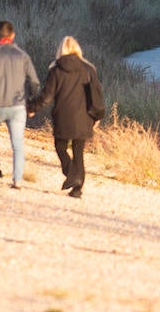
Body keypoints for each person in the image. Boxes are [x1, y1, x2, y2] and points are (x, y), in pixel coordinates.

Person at [28, 36, 104, 198]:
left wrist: (32, 107)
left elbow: (47, 96)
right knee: (79, 153)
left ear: (60, 50)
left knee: (60, 147)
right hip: (84, 116)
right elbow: (96, 95)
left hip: (63, 116)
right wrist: (97, 115)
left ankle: (70, 172)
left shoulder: (56, 69)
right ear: (78, 49)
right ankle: (77, 187)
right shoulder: (89, 69)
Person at [0, 20, 40, 187]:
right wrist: (30, 101)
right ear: (13, 35)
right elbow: (34, 82)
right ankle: (17, 180)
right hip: (18, 106)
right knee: (17, 143)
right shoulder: (23, 56)